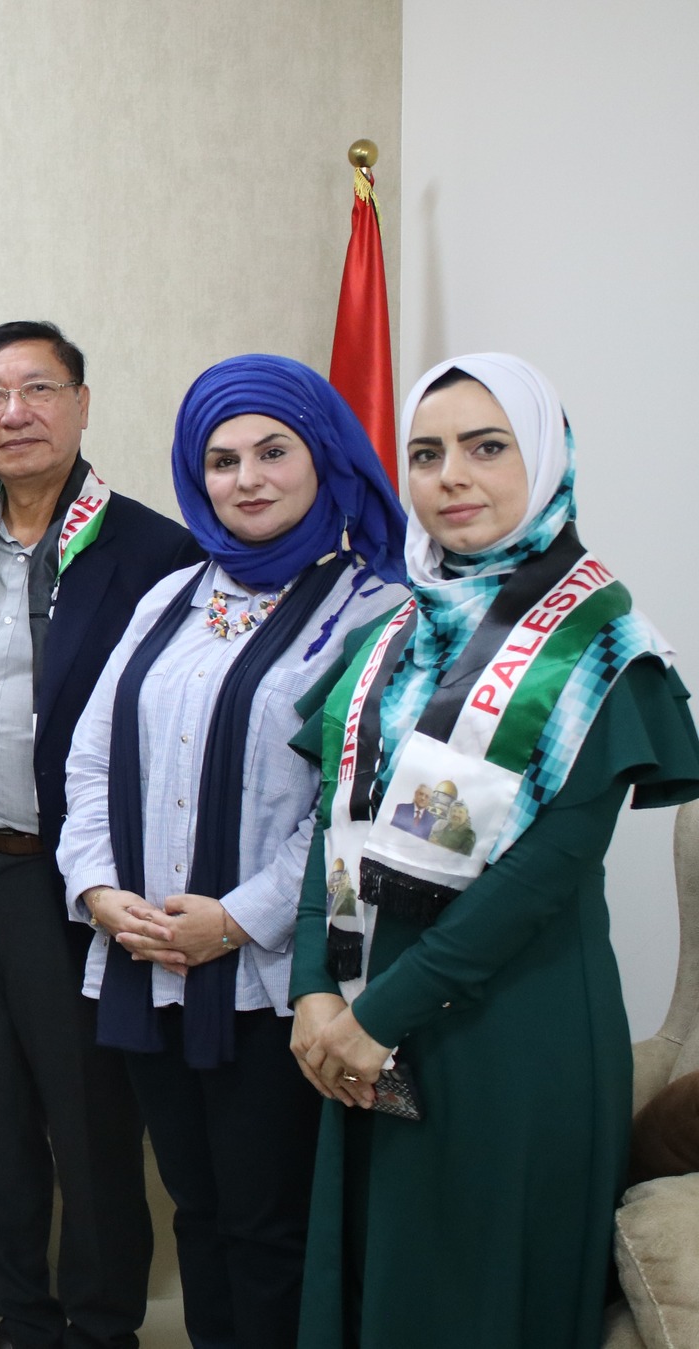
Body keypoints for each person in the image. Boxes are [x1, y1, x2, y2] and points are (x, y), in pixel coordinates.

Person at [287, 355, 699, 1348]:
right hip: (361, 1019)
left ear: (545, 459)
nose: (451, 476)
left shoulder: (602, 646)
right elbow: (334, 826)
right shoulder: (394, 633)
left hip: (511, 1031)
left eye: (485, 447)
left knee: (475, 1299)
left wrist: (374, 1014)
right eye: (425, 453)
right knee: (377, 1285)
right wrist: (312, 990)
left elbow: (541, 876)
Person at [57, 355, 407, 1349]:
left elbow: (354, 808)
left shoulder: (375, 612)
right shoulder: (168, 596)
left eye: (271, 451)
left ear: (324, 457)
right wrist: (97, 889)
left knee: (267, 1226)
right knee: (197, 1210)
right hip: (146, 960)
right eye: (221, 459)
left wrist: (236, 918)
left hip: (271, 980)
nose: (246, 478)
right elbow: (90, 757)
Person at [0, 320, 198, 1349]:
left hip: (74, 881)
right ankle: (18, 1310)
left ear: (81, 403)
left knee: (89, 1117)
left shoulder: (155, 549)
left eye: (38, 389)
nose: (15, 413)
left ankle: (100, 1316)